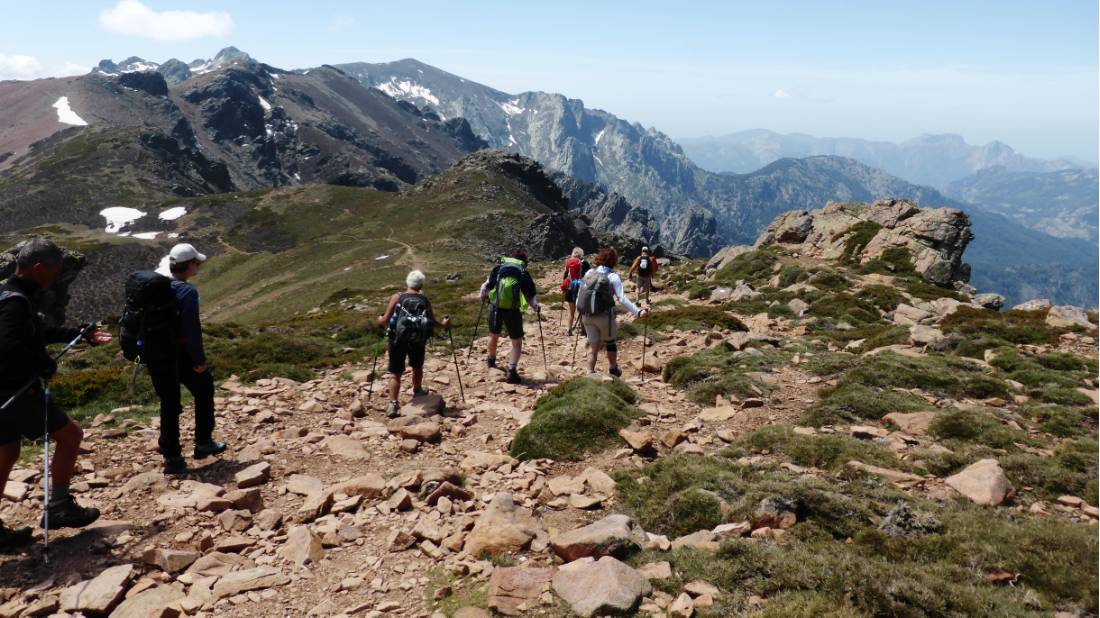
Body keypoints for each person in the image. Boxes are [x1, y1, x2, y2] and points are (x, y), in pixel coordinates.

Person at [0, 239, 112, 548]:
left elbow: (33, 333)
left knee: (7, 451)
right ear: (38, 268)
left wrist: (78, 334)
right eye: (54, 268)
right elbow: (9, 344)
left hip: (3, 391)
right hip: (16, 390)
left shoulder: (7, 294)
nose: (57, 274)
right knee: (71, 435)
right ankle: (59, 508)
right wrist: (42, 363)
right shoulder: (17, 302)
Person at [148, 243, 226, 474]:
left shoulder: (156, 288)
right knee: (204, 390)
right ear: (190, 265)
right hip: (180, 355)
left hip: (156, 354)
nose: (198, 266)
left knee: (169, 402)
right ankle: (203, 443)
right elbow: (191, 330)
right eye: (196, 263)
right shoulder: (187, 292)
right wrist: (199, 361)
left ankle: (172, 457)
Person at [376, 270, 451, 418]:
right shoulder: (424, 300)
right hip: (418, 338)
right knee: (417, 366)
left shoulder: (397, 297)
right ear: (421, 284)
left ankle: (393, 404)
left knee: (396, 373)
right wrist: (444, 324)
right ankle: (417, 391)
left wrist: (379, 319)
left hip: (397, 339)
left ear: (407, 282)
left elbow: (384, 321)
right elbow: (432, 322)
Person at [579, 247, 647, 377]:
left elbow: (581, 293)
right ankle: (613, 369)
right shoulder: (613, 276)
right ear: (613, 261)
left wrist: (580, 309)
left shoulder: (589, 273)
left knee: (593, 347)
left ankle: (590, 373)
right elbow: (622, 298)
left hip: (586, 315)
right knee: (610, 343)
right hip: (604, 316)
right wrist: (637, 312)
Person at [480, 250, 539, 384]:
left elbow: (487, 286)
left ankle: (491, 361)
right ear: (524, 262)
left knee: (494, 335)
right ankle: (512, 370)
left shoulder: (499, 268)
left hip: (495, 306)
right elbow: (530, 295)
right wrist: (535, 306)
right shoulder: (523, 272)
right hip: (512, 310)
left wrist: (483, 297)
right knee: (516, 342)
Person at [559, 247, 591, 336]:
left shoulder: (568, 263)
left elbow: (565, 277)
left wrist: (564, 288)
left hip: (570, 288)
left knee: (571, 311)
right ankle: (583, 330)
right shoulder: (585, 263)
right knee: (581, 310)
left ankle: (569, 329)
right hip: (580, 288)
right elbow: (588, 277)